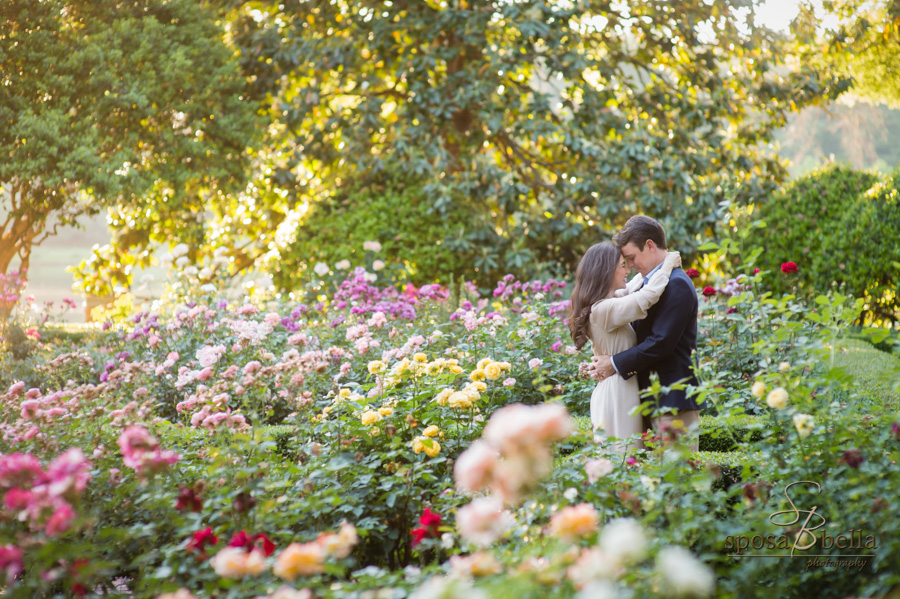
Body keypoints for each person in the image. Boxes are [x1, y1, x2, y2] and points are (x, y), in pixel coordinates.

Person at [588, 215, 704, 451]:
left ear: (650, 245)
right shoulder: (646, 283)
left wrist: (614, 363)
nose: (629, 265)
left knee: (676, 481)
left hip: (672, 401)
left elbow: (661, 342)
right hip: (648, 399)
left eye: (631, 257)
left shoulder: (677, 283)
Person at [568, 241, 681, 452]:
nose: (627, 269)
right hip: (617, 393)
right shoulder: (603, 309)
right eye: (622, 265)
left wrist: (655, 265)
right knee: (624, 458)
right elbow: (646, 297)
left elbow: (633, 287)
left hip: (621, 387)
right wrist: (667, 265)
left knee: (628, 459)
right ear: (606, 272)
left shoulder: (607, 302)